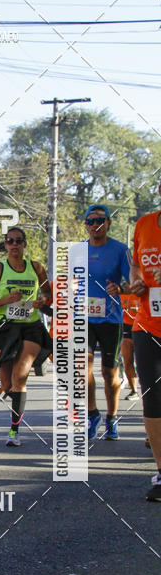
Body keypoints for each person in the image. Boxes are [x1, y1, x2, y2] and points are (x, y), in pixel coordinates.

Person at [0, 227, 51, 446]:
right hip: (4, 327)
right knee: (8, 382)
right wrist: (6, 300)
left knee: (19, 378)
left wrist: (42, 301)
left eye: (18, 241)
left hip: (30, 326)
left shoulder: (36, 267)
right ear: (6, 244)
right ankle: (15, 406)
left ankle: (14, 431)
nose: (14, 244)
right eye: (10, 241)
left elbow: (48, 294)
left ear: (24, 244)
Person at [84, 204, 131, 440]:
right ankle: (92, 414)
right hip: (84, 318)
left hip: (111, 319)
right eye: (90, 221)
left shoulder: (120, 250)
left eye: (100, 220)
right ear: (86, 225)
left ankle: (111, 417)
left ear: (108, 223)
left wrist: (120, 288)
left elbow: (135, 282)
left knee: (109, 373)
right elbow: (63, 282)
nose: (95, 225)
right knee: (82, 366)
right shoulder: (77, 251)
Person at [130, 182, 161, 500]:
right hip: (147, 322)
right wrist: (137, 281)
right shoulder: (145, 224)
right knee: (152, 395)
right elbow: (137, 263)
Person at [120, 292, 140, 399]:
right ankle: (134, 391)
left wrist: (138, 311)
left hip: (142, 326)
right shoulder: (119, 294)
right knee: (127, 361)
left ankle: (149, 390)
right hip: (126, 327)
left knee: (142, 363)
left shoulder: (141, 291)